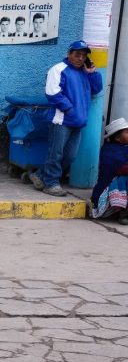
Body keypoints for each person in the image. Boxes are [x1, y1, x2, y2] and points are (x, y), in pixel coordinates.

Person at [28, 40, 104, 196]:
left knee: (70, 156)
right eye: (77, 54)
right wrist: (69, 109)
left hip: (78, 122)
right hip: (61, 120)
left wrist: (93, 73)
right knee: (55, 153)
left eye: (83, 56)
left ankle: (40, 175)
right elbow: (52, 93)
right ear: (69, 54)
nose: (81, 58)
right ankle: (51, 184)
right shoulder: (58, 69)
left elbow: (96, 89)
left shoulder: (84, 72)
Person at [89, 117, 128, 224]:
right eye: (127, 132)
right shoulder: (110, 151)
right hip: (109, 186)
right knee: (123, 179)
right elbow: (117, 170)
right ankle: (123, 213)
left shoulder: (125, 148)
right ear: (118, 137)